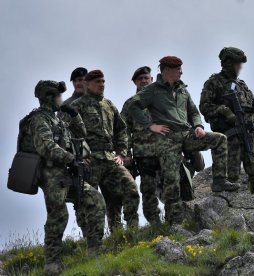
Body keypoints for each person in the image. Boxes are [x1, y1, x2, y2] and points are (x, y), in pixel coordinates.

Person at [128, 56, 239, 225]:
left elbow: (193, 111)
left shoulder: (182, 90)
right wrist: (150, 126)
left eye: (181, 68)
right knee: (171, 180)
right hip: (167, 140)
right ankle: (174, 221)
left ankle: (219, 181)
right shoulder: (153, 90)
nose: (181, 72)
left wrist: (198, 125)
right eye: (177, 69)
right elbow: (132, 106)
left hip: (186, 134)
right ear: (166, 71)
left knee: (219, 139)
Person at [18, 80, 105, 275]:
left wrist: (75, 116)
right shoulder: (39, 119)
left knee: (95, 200)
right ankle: (52, 262)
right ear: (49, 97)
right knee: (58, 216)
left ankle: (94, 248)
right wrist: (71, 158)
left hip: (68, 172)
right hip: (51, 175)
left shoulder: (56, 118)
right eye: (58, 96)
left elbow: (81, 134)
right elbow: (46, 146)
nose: (61, 99)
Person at [72, 70, 140, 231]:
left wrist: (122, 153)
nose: (101, 85)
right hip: (90, 162)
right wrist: (79, 155)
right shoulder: (77, 106)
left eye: (103, 81)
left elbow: (121, 129)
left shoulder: (109, 105)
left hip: (110, 159)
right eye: (97, 82)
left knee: (130, 189)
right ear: (87, 84)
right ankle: (93, 240)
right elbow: (67, 134)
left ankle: (132, 232)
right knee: (89, 202)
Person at [200, 47, 254, 194]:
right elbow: (205, 107)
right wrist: (225, 111)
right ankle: (230, 208)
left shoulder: (242, 85)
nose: (240, 67)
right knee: (232, 175)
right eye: (237, 63)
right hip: (230, 137)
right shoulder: (214, 83)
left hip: (249, 134)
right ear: (228, 63)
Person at [120, 66, 162, 225]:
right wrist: (126, 153)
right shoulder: (130, 104)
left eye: (146, 78)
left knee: (173, 186)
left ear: (151, 79)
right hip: (143, 154)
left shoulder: (162, 99)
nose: (144, 81)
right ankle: (155, 224)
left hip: (166, 151)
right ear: (135, 82)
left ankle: (175, 220)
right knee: (148, 190)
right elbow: (124, 131)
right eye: (140, 79)